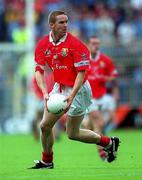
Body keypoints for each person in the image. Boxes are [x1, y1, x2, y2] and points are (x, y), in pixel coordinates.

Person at [30, 11, 120, 169]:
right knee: (44, 126)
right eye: (61, 22)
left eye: (66, 22)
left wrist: (71, 95)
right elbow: (39, 70)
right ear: (51, 25)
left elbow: (82, 73)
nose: (65, 25)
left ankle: (109, 142)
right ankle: (47, 161)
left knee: (72, 133)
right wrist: (44, 92)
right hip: (59, 88)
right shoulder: (43, 44)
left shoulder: (76, 45)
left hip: (79, 90)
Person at [83, 36, 119, 160]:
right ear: (88, 44)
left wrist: (103, 78)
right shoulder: (83, 59)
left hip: (102, 97)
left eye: (98, 43)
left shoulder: (105, 60)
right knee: (96, 124)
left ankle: (103, 148)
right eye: (93, 43)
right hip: (88, 98)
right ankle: (104, 150)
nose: (96, 46)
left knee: (97, 125)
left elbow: (114, 75)